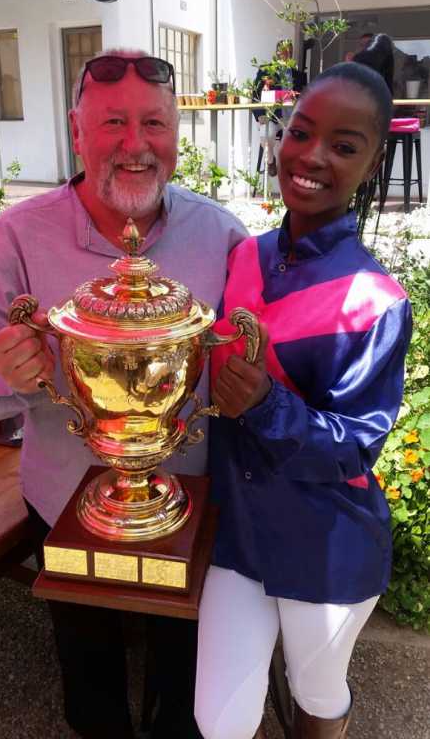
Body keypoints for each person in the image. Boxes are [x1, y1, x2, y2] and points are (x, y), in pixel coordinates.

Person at [0, 49, 248, 739]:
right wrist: (7, 371)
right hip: (61, 495)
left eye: (154, 123)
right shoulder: (14, 237)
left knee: (182, 668)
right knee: (89, 668)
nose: (136, 145)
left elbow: (245, 359)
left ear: (177, 133)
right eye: (113, 123)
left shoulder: (221, 235)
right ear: (77, 131)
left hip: (188, 494)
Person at [194, 62, 412, 739]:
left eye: (344, 146)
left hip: (327, 540)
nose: (312, 156)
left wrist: (266, 405)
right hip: (239, 531)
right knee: (218, 719)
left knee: (315, 692)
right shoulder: (244, 257)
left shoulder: (376, 301)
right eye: (301, 132)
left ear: (371, 165)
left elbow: (358, 445)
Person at [252, 40, 306, 177]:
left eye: (289, 52)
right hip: (272, 116)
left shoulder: (299, 75)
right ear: (277, 53)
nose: (286, 55)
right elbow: (255, 94)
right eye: (283, 52)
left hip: (292, 118)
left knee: (298, 141)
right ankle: (271, 161)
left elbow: (305, 97)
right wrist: (259, 116)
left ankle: (289, 172)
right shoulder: (266, 70)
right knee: (265, 134)